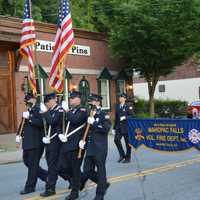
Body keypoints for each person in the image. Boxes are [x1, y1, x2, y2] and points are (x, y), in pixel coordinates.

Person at [80, 93, 112, 200]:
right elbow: (85, 129)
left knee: (101, 171)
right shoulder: (89, 113)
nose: (90, 103)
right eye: (89, 101)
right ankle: (103, 183)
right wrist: (82, 141)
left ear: (98, 102)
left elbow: (106, 128)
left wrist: (94, 123)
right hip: (90, 147)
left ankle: (100, 195)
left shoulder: (104, 114)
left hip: (100, 148)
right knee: (87, 170)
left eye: (92, 101)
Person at [16, 92, 47, 195]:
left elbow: (42, 123)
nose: (27, 102)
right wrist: (18, 135)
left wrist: (30, 118)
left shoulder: (39, 109)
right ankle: (46, 177)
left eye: (28, 99)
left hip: (36, 142)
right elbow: (23, 123)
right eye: (26, 100)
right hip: (28, 142)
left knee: (33, 165)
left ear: (34, 99)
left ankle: (30, 187)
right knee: (27, 162)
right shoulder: (29, 110)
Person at [39, 93, 70, 197]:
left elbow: (52, 121)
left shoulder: (59, 110)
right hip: (49, 142)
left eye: (47, 102)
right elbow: (45, 125)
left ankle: (50, 188)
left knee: (54, 166)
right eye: (46, 103)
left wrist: (45, 112)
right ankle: (75, 180)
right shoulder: (50, 111)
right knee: (57, 166)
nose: (47, 104)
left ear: (53, 100)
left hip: (57, 142)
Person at [58, 91, 88, 200]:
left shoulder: (83, 111)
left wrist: (66, 110)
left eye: (73, 98)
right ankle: (81, 179)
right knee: (60, 167)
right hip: (66, 144)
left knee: (75, 169)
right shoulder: (69, 111)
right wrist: (60, 133)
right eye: (70, 98)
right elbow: (61, 124)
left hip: (76, 145)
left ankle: (74, 192)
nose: (70, 100)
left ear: (79, 99)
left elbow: (76, 120)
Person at [113, 93, 133, 163]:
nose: (120, 99)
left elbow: (132, 116)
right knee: (116, 140)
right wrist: (114, 128)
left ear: (125, 99)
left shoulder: (129, 106)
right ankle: (122, 155)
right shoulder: (117, 106)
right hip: (119, 127)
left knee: (127, 143)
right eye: (120, 97)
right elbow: (116, 118)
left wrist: (125, 117)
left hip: (126, 127)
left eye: (122, 97)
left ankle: (128, 157)